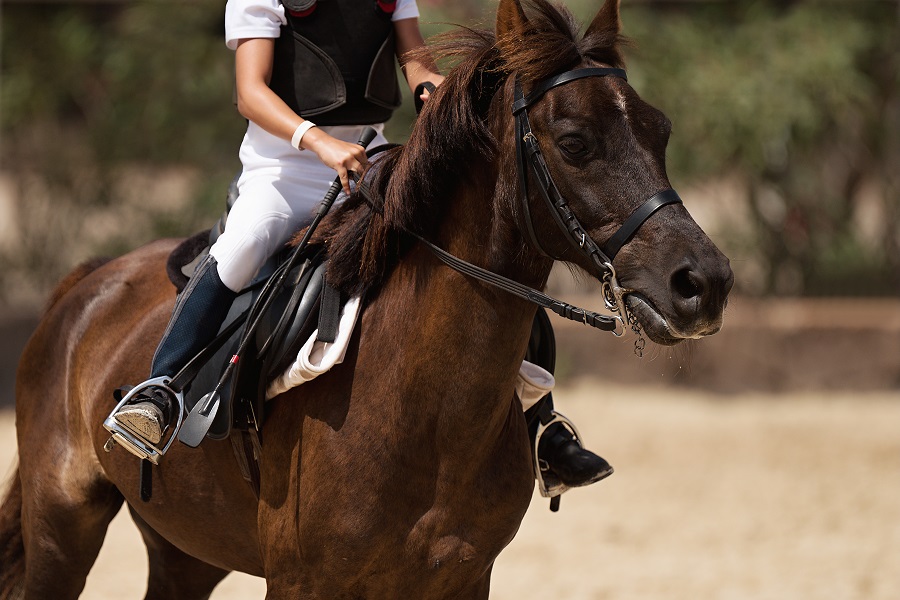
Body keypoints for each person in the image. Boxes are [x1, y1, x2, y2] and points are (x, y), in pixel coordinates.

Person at [108, 0, 611, 492]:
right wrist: (318, 141)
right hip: (283, 166)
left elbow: (413, 58)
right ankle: (161, 389)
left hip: (367, 156)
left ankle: (541, 425)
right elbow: (250, 92)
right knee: (246, 243)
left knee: (480, 245)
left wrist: (431, 89)